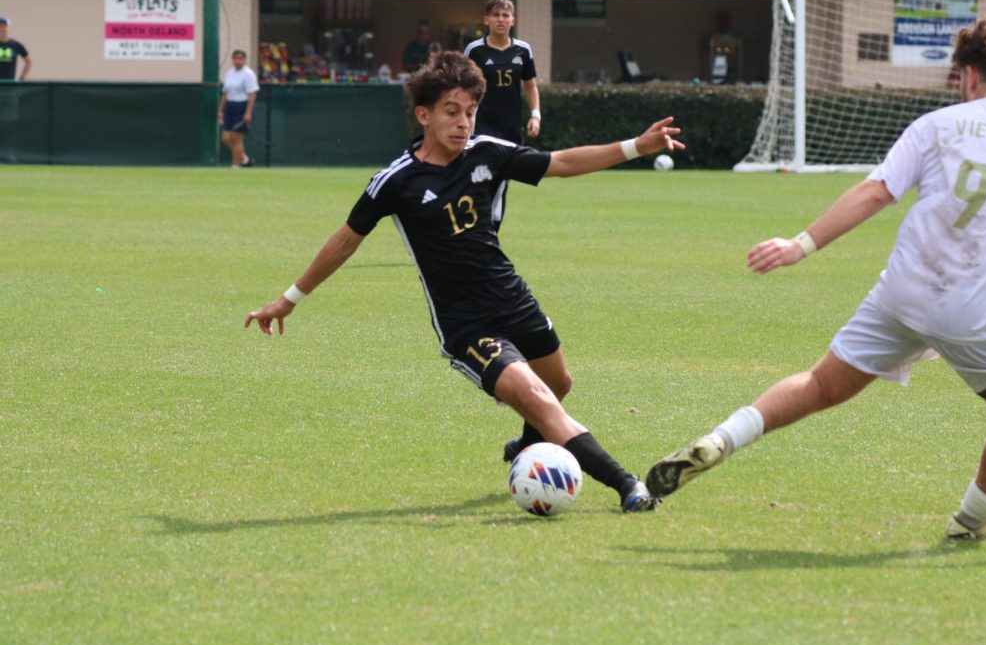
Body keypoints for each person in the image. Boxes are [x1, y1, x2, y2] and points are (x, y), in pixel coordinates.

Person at [645, 17, 986, 540]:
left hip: (902, 295)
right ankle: (976, 517)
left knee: (821, 386)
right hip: (972, 313)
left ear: (969, 74)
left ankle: (723, 438)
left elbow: (874, 192)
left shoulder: (935, 127)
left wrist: (800, 244)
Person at [245, 50, 683, 513]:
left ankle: (526, 445)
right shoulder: (396, 181)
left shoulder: (488, 153)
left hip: (512, 297)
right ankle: (628, 485)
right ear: (424, 115)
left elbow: (561, 163)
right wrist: (289, 299)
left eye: (470, 112)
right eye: (451, 112)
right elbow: (345, 241)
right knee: (537, 397)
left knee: (558, 384)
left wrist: (637, 146)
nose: (463, 123)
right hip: (466, 324)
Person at [465, 0, 541, 143]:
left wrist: (536, 116)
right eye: (496, 15)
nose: (500, 19)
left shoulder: (523, 50)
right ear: (487, 20)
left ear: (513, 21)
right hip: (482, 127)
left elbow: (531, 87)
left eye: (505, 15)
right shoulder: (474, 50)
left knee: (513, 166)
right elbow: (462, 86)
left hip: (513, 128)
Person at [218, 49, 259, 168]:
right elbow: (225, 93)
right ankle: (244, 158)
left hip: (241, 106)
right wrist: (221, 110)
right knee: (226, 138)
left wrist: (248, 113)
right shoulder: (229, 73)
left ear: (245, 60)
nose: (238, 61)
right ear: (232, 59)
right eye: (236, 58)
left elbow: (252, 94)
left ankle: (236, 165)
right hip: (230, 106)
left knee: (236, 138)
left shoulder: (248, 74)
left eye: (241, 59)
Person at [0, 16, 32, 81]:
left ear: (8, 28)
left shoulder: (16, 45)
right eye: (0, 27)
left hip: (9, 85)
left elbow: (29, 61)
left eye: (4, 26)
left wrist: (21, 78)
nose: (2, 29)